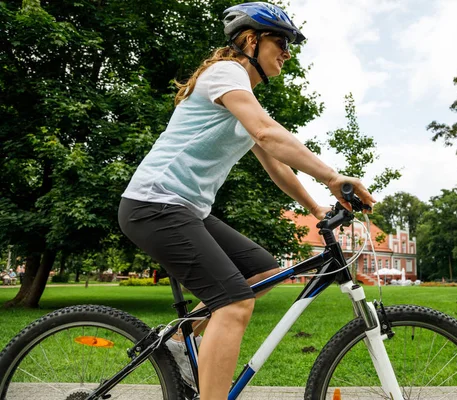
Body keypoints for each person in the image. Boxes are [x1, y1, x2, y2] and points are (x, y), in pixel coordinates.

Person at [117, 3, 375, 400]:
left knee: (261, 271)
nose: (287, 53)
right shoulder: (226, 74)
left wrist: (316, 207)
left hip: (186, 209)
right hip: (155, 204)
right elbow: (268, 133)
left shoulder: (241, 96)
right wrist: (332, 177)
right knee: (235, 304)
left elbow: (277, 166)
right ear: (250, 40)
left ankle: (175, 348)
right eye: (281, 42)